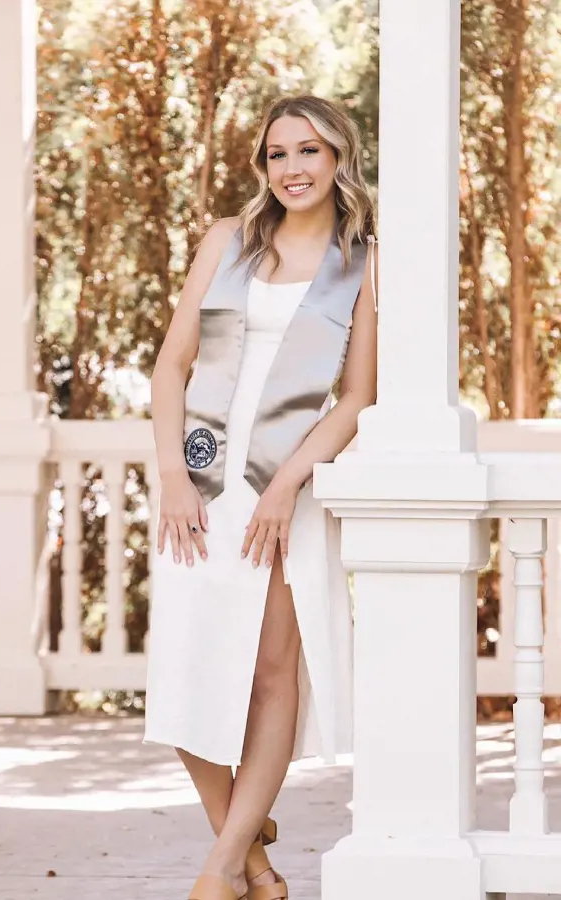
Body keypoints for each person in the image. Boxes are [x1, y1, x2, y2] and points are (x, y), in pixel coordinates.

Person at [143, 95, 377, 900]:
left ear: (339, 156)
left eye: (308, 151)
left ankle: (224, 871)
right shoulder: (228, 243)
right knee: (179, 670)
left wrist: (285, 487)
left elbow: (355, 398)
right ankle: (252, 852)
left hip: (288, 485)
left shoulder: (362, 262)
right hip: (200, 485)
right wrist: (173, 475)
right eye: (278, 154)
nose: (293, 169)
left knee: (272, 674)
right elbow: (171, 366)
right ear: (263, 167)